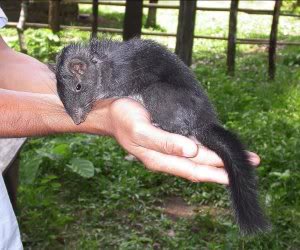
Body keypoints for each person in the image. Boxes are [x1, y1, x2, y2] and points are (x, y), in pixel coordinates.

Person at [0, 7, 260, 250]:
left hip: (180, 106)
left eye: (79, 90)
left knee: (157, 97)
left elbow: (4, 59)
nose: (77, 117)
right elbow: (88, 97)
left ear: (80, 68)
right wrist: (98, 116)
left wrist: (101, 111)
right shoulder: (97, 70)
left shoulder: (115, 68)